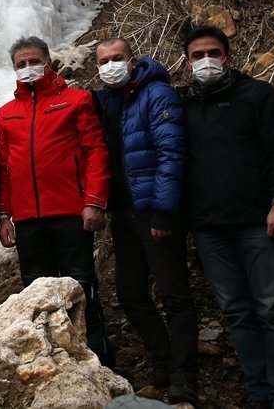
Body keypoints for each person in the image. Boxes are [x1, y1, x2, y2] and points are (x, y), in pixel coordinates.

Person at [179, 25, 274, 409]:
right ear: (186, 63)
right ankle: (259, 393)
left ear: (228, 57)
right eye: (197, 55)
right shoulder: (180, 104)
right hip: (208, 227)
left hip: (258, 221)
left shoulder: (257, 95)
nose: (206, 61)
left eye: (213, 53)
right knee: (237, 312)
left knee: (272, 309)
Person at [0, 36, 112, 363]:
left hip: (71, 212)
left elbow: (96, 152)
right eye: (21, 64)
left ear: (48, 61)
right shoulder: (5, 114)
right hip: (28, 218)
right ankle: (50, 359)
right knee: (36, 292)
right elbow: (3, 167)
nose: (28, 68)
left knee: (81, 287)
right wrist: (3, 215)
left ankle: (96, 357)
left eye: (34, 61)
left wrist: (94, 201)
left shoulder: (76, 100)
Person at [92, 37, 197, 403]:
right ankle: (162, 360)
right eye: (104, 60)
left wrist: (163, 209)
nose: (111, 65)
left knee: (173, 293)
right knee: (130, 292)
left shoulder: (156, 94)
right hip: (122, 212)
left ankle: (185, 375)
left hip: (155, 210)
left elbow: (171, 151)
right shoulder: (103, 100)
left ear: (132, 61)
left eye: (117, 58)